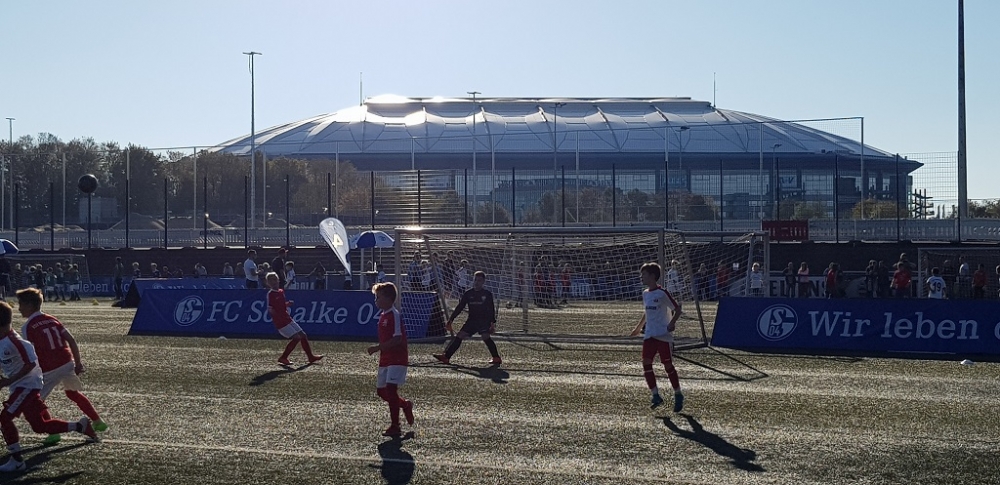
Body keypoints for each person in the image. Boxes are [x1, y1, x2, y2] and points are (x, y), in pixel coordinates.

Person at [0, 301, 99, 472]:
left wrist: (9, 381)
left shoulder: (16, 342)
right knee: (40, 426)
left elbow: (31, 364)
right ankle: (80, 426)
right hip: (20, 387)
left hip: (28, 386)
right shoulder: (3, 341)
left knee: (5, 417)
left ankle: (17, 460)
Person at [17, 288, 108, 445]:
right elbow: (71, 340)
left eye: (21, 305)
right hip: (67, 362)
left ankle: (54, 433)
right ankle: (97, 421)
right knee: (73, 393)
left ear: (30, 305)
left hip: (49, 369)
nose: (19, 309)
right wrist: (78, 363)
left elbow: (30, 352)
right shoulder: (52, 319)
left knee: (35, 401)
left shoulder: (28, 326)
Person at [629, 262, 684, 412]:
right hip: (649, 335)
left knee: (668, 366)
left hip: (663, 335)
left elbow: (677, 309)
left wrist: (672, 323)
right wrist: (638, 328)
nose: (641, 277)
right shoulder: (645, 293)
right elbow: (647, 313)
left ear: (652, 276)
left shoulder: (662, 293)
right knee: (646, 364)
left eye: (644, 274)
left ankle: (678, 394)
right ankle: (655, 395)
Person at [366, 282, 414, 437]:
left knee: (391, 389)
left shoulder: (394, 314)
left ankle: (395, 426)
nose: (376, 301)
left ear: (388, 298)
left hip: (397, 357)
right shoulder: (383, 315)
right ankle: (405, 405)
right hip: (385, 358)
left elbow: (397, 339)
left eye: (378, 297)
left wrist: (377, 347)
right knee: (381, 392)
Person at [433, 271, 501, 365]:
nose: (477, 282)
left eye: (479, 280)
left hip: (483, 320)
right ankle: (446, 357)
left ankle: (496, 358)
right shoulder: (468, 293)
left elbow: (491, 309)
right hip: (471, 320)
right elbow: (460, 307)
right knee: (460, 335)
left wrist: (492, 323)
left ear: (483, 282)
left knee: (485, 336)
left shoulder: (487, 294)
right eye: (475, 280)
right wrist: (451, 319)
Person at [266, 272, 323, 366]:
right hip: (281, 322)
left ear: (278, 280)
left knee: (303, 335)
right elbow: (271, 309)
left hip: (287, 318)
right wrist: (277, 318)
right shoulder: (271, 294)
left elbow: (280, 306)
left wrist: (287, 304)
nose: (274, 282)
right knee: (296, 337)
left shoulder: (280, 292)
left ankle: (310, 357)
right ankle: (283, 357)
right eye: (271, 280)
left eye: (275, 279)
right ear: (268, 283)